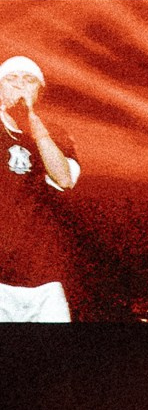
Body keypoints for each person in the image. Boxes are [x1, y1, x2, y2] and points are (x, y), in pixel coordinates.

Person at [0, 53, 82, 321]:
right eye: (11, 79)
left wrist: (35, 124)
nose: (20, 84)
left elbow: (64, 179)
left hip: (44, 279)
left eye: (29, 80)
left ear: (40, 90)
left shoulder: (54, 132)